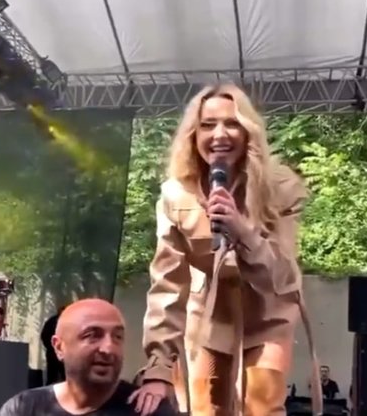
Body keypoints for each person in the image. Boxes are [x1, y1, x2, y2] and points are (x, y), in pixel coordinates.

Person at [131, 84, 322, 416]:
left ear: (248, 131)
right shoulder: (177, 194)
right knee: (207, 408)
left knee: (262, 405)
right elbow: (167, 286)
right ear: (194, 134)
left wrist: (242, 230)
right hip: (208, 315)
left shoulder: (281, 187)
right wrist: (159, 365)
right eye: (208, 125)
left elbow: (282, 276)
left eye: (232, 123)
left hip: (267, 313)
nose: (219, 134)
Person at [0, 298, 176, 416]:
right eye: (92, 336)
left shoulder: (148, 410)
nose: (108, 348)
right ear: (59, 347)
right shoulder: (24, 408)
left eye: (117, 337)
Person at [41, 306, 67, 385]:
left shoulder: (68, 322)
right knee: (52, 374)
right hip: (53, 352)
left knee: (64, 374)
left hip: (63, 352)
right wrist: (51, 347)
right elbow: (44, 335)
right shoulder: (52, 322)